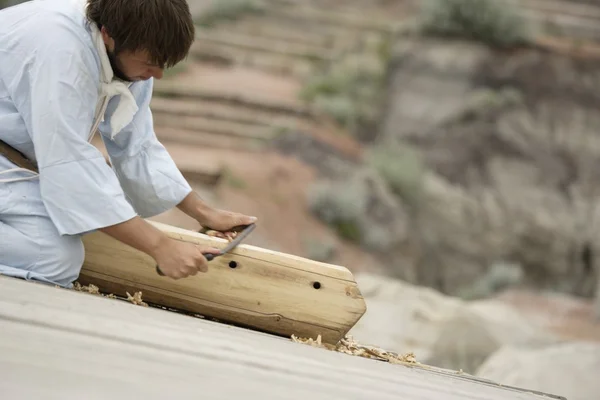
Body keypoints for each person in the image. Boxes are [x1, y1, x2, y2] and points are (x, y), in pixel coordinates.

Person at [0, 0, 257, 287]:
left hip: (14, 162)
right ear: (109, 35)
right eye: (150, 64)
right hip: (10, 160)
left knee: (77, 231)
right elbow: (67, 159)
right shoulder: (61, 49)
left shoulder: (126, 49)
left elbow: (137, 144)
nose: (157, 74)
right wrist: (160, 247)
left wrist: (204, 213)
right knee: (52, 258)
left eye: (163, 66)